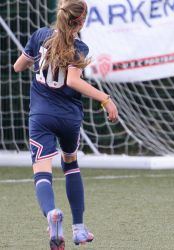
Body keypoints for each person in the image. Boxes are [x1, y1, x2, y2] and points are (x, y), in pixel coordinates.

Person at [13, 0, 118, 249]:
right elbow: (72, 80)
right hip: (69, 118)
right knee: (70, 162)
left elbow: (18, 66)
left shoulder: (40, 35)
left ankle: (51, 214)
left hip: (41, 116)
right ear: (81, 22)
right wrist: (105, 99)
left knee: (42, 171)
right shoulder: (79, 46)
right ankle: (79, 229)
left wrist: (33, 64)